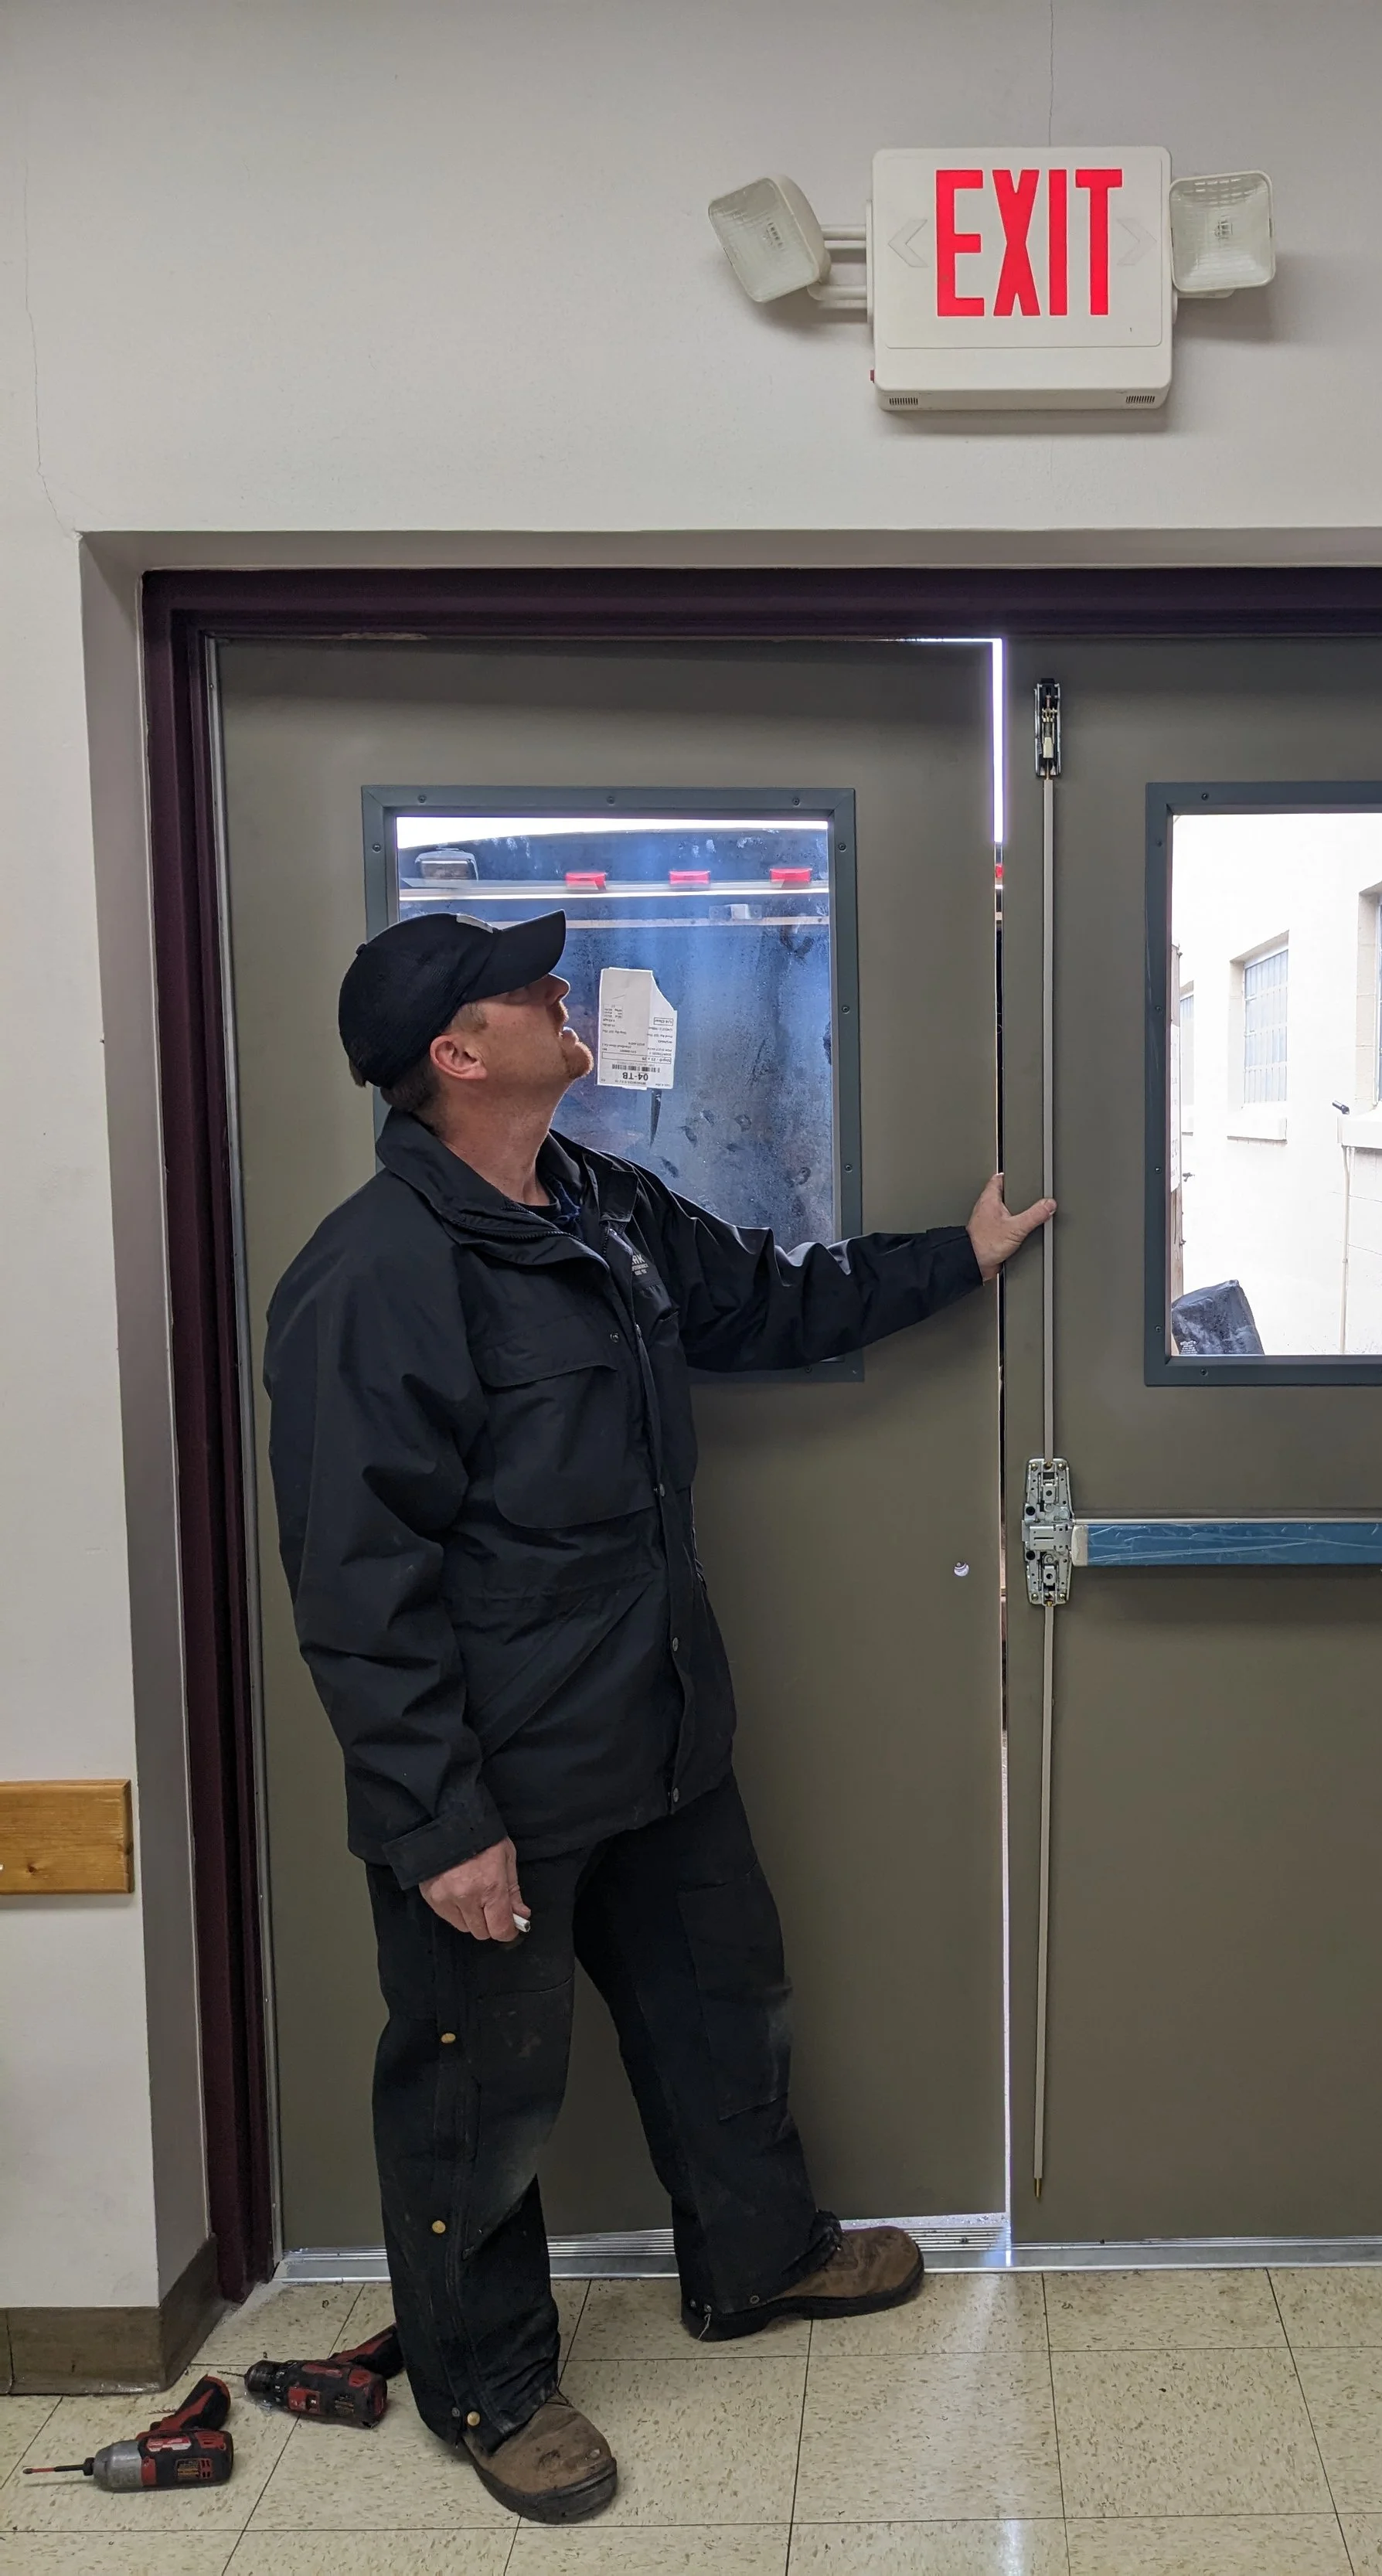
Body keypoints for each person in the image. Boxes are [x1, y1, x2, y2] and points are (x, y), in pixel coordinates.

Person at [264, 909, 1051, 2523]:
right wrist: (440, 1821)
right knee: (477, 2087)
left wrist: (949, 1262)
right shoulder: (372, 1278)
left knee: (721, 2010)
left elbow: (760, 1301)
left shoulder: (596, 1205)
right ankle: (486, 2382)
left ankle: (756, 2260)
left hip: (660, 1727)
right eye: (529, 987)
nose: (568, 996)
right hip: (501, 1781)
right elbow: (358, 1587)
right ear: (456, 1055)